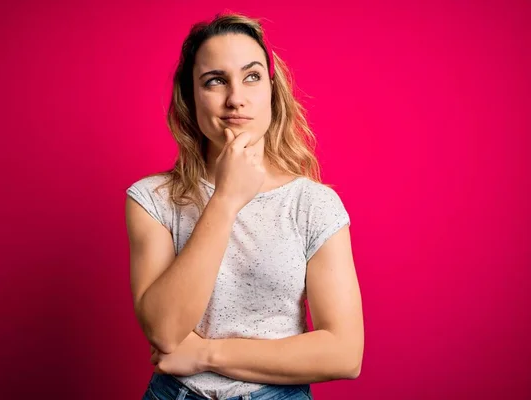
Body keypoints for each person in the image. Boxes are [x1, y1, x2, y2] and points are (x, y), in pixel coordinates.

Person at [125, 11, 364, 400]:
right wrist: (227, 198)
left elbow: (344, 354)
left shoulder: (313, 204)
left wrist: (206, 353)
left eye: (251, 76)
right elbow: (165, 331)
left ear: (272, 91)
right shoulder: (153, 200)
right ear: (190, 95)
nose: (236, 99)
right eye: (215, 81)